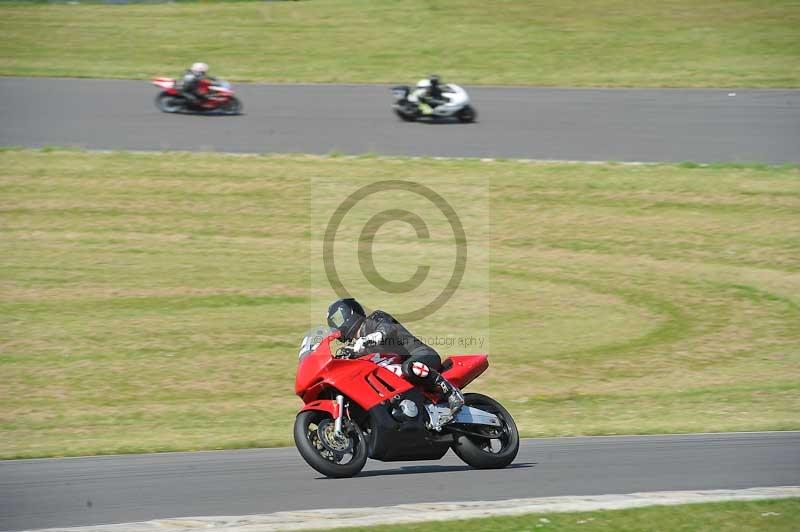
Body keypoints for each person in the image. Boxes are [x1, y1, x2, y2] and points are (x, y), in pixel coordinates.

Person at [326, 298, 465, 421]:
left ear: (348, 313)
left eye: (337, 320)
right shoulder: (357, 347)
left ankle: (452, 393)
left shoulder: (375, 318)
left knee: (408, 367)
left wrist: (371, 338)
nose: (336, 326)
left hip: (421, 355)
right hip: (399, 372)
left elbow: (387, 329)